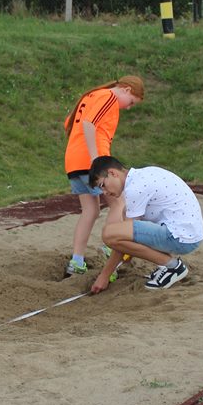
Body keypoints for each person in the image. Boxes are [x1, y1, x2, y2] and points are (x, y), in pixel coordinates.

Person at [61, 75, 145, 275]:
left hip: (73, 162)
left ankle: (77, 261)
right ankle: (111, 248)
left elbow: (68, 124)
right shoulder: (108, 97)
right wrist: (95, 160)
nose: (129, 107)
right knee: (119, 203)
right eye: (131, 102)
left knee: (90, 211)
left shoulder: (91, 96)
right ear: (126, 89)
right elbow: (89, 123)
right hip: (91, 161)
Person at [87, 155, 203, 293]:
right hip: (189, 233)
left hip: (181, 237)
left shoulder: (135, 188)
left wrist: (104, 276)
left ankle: (173, 266)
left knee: (109, 234)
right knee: (125, 214)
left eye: (102, 185)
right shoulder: (142, 175)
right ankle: (167, 266)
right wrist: (126, 252)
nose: (105, 192)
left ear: (113, 173)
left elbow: (122, 237)